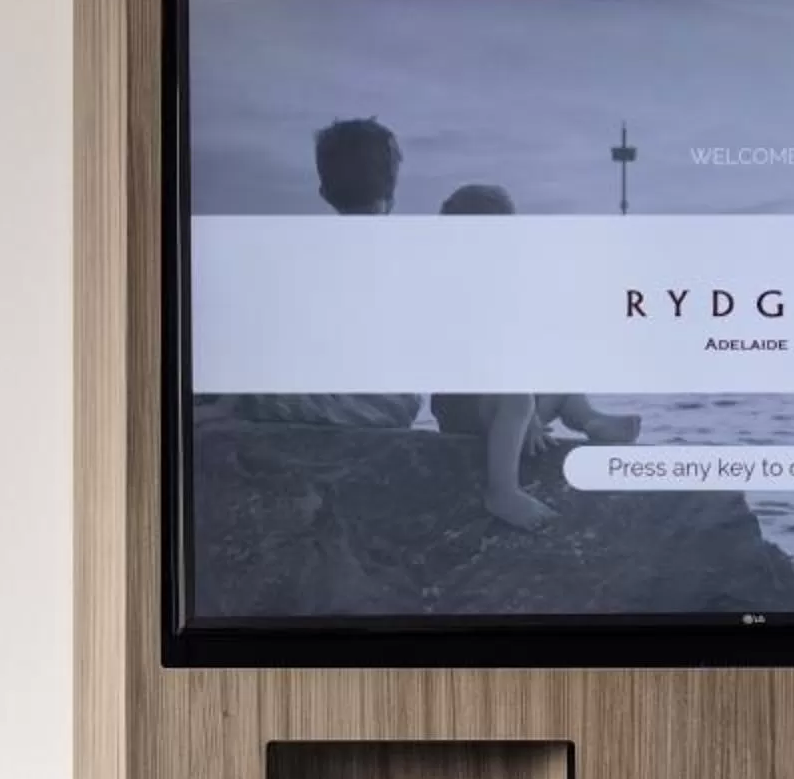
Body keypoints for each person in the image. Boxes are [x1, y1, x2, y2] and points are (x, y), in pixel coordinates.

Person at [427, 183, 641, 533]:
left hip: (501, 399)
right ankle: (502, 491)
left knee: (553, 375)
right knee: (518, 398)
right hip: (461, 406)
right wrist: (524, 413)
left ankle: (590, 420)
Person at [193, 118, 423, 432]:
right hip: (393, 403)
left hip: (363, 403)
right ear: (393, 184)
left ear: (324, 191)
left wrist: (226, 403)